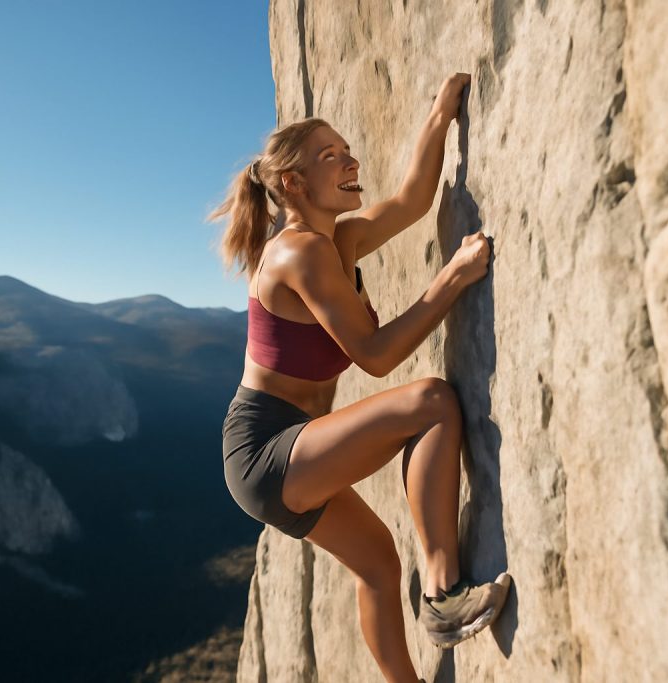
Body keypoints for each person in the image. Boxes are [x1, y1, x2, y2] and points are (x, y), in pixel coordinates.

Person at [208, 72, 510, 683]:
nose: (349, 161)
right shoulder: (299, 252)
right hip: (266, 451)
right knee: (430, 401)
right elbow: (373, 354)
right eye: (331, 156)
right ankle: (445, 596)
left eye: (347, 150)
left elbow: (411, 201)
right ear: (294, 184)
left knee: (376, 562)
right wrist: (451, 279)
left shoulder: (336, 238)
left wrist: (440, 114)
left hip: (287, 449)